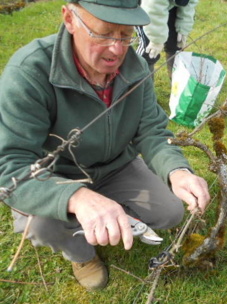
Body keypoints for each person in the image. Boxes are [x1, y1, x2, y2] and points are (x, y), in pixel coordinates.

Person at [0, 0, 210, 291]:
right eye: (104, 33)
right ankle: (81, 254)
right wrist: (76, 197)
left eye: (126, 35)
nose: (116, 49)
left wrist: (177, 171)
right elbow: (10, 167)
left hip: (116, 166)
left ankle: (111, 217)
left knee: (170, 211)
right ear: (70, 19)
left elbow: (152, 130)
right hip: (57, 174)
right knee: (42, 226)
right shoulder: (29, 72)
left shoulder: (135, 68)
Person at [135, 0, 199, 78]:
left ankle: (177, 85)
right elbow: (153, 8)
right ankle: (143, 86)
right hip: (149, 6)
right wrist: (156, 39)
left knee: (176, 44)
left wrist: (184, 26)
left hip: (170, 4)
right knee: (149, 50)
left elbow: (190, 2)